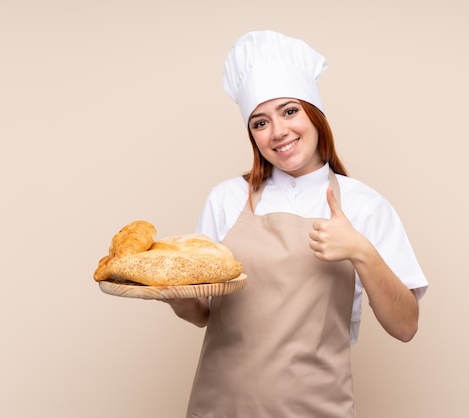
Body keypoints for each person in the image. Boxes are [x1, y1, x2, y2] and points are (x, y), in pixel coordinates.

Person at [164, 29, 428, 417]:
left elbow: (405, 326)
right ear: (252, 135)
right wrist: (177, 296)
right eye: (260, 122)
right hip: (220, 407)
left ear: (315, 115)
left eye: (290, 111)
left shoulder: (364, 205)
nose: (279, 132)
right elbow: (202, 314)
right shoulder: (227, 198)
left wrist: (359, 250)